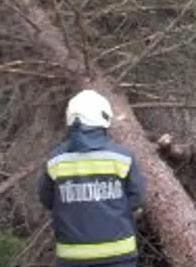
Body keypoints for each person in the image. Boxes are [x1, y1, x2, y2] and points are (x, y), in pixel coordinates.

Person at [37, 89, 146, 267]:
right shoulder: (122, 158)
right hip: (119, 255)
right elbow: (137, 197)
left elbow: (46, 199)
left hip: (72, 257)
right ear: (104, 119)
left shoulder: (56, 160)